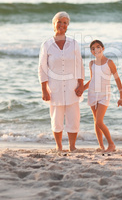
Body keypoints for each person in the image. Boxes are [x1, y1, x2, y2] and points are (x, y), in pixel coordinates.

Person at [38, 11, 84, 152]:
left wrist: (81, 85)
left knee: (73, 118)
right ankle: (59, 146)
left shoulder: (74, 43)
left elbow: (79, 65)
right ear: (54, 24)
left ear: (67, 26)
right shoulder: (47, 44)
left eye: (65, 22)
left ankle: (72, 146)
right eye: (59, 22)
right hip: (54, 87)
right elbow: (42, 68)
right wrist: (44, 89)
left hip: (72, 86)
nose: (62, 25)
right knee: (56, 119)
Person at [84, 40, 122, 152]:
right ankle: (101, 146)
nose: (96, 50)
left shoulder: (109, 62)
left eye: (98, 47)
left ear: (103, 48)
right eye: (93, 48)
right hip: (92, 93)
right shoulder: (91, 63)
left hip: (104, 94)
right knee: (95, 121)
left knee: (99, 121)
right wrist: (81, 88)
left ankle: (111, 144)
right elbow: (92, 80)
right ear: (91, 51)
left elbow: (117, 78)